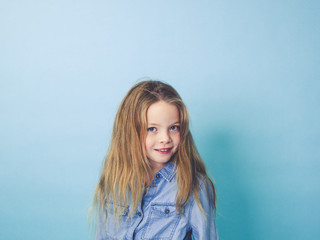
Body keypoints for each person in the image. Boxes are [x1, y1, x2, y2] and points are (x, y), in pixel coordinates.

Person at [92, 80, 218, 239]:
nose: (165, 138)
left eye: (174, 127)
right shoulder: (114, 183)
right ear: (130, 133)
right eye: (152, 129)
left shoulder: (194, 187)